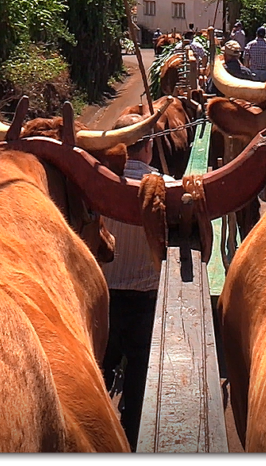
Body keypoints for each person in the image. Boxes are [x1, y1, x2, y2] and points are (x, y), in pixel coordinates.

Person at [99, 115, 175, 450]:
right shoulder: (167, 187)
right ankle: (132, 442)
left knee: (97, 373)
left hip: (101, 300)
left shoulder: (92, 183)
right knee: (139, 381)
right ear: (147, 148)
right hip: (144, 301)